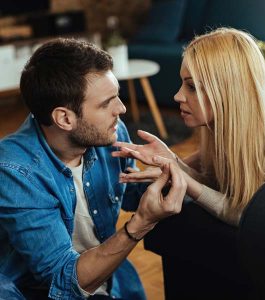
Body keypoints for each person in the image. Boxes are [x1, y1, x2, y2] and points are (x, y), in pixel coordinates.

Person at [0, 38, 187, 299]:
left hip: (110, 281)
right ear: (64, 118)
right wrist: (140, 225)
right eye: (106, 103)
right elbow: (62, 280)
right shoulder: (15, 172)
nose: (121, 109)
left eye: (117, 96)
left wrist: (168, 171)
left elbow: (130, 195)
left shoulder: (109, 133)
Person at [112, 27, 265, 226]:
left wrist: (179, 173)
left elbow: (252, 216)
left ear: (227, 90)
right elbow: (216, 188)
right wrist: (172, 162)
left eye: (191, 87)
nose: (177, 96)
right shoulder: (224, 119)